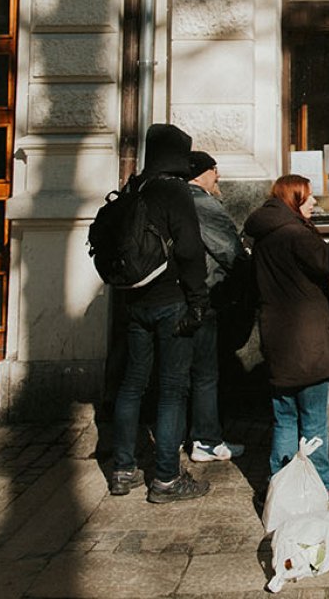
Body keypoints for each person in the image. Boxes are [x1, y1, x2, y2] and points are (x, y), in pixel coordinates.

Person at [109, 123, 212, 503]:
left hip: (135, 302)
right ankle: (167, 478)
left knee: (132, 385)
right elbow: (189, 250)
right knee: (172, 391)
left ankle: (123, 469)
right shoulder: (175, 191)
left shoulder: (135, 187)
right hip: (172, 302)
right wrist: (198, 299)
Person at [245, 174, 329, 489]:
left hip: (276, 337)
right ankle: (318, 488)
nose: (315, 202)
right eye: (309, 196)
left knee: (284, 419)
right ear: (294, 199)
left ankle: (280, 486)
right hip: (308, 341)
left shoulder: (263, 234)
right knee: (314, 423)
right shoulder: (297, 235)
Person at [184, 150, 247, 464]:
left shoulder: (173, 200)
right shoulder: (203, 204)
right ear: (201, 174)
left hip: (170, 297)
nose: (218, 176)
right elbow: (229, 251)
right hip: (203, 297)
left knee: (176, 376)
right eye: (214, 170)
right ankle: (206, 440)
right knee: (206, 374)